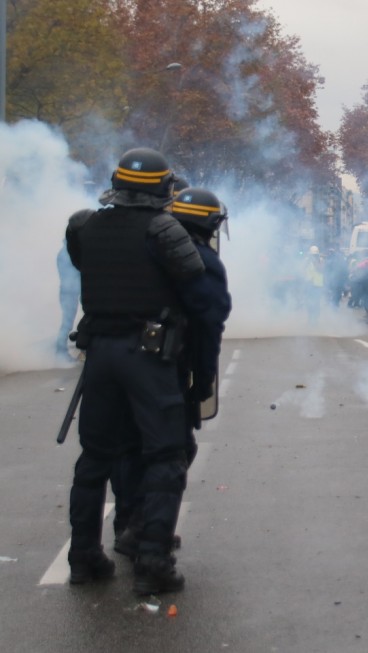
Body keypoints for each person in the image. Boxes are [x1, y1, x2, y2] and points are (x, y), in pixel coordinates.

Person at [64, 147, 220, 595]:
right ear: (163, 188)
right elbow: (193, 285)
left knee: (95, 457)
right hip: (148, 356)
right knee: (166, 457)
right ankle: (153, 562)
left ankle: (84, 557)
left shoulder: (83, 225)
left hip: (99, 355)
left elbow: (84, 265)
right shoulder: (164, 230)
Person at [113, 187, 232, 559]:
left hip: (115, 359)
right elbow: (208, 325)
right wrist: (204, 379)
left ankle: (126, 525)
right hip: (163, 366)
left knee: (129, 447)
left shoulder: (143, 245)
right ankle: (146, 534)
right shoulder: (200, 260)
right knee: (174, 451)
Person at [55, 240, 81, 364]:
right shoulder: (67, 253)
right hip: (70, 292)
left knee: (67, 322)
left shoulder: (63, 253)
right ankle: (60, 352)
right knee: (67, 323)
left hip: (70, 291)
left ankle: (62, 351)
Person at [303, 245, 324, 324]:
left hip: (318, 286)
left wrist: (315, 262)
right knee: (309, 303)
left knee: (316, 303)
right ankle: (310, 318)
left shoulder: (321, 260)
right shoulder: (307, 260)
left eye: (315, 255)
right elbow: (302, 269)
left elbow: (321, 269)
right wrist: (307, 261)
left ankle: (315, 319)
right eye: (312, 255)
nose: (313, 256)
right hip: (309, 285)